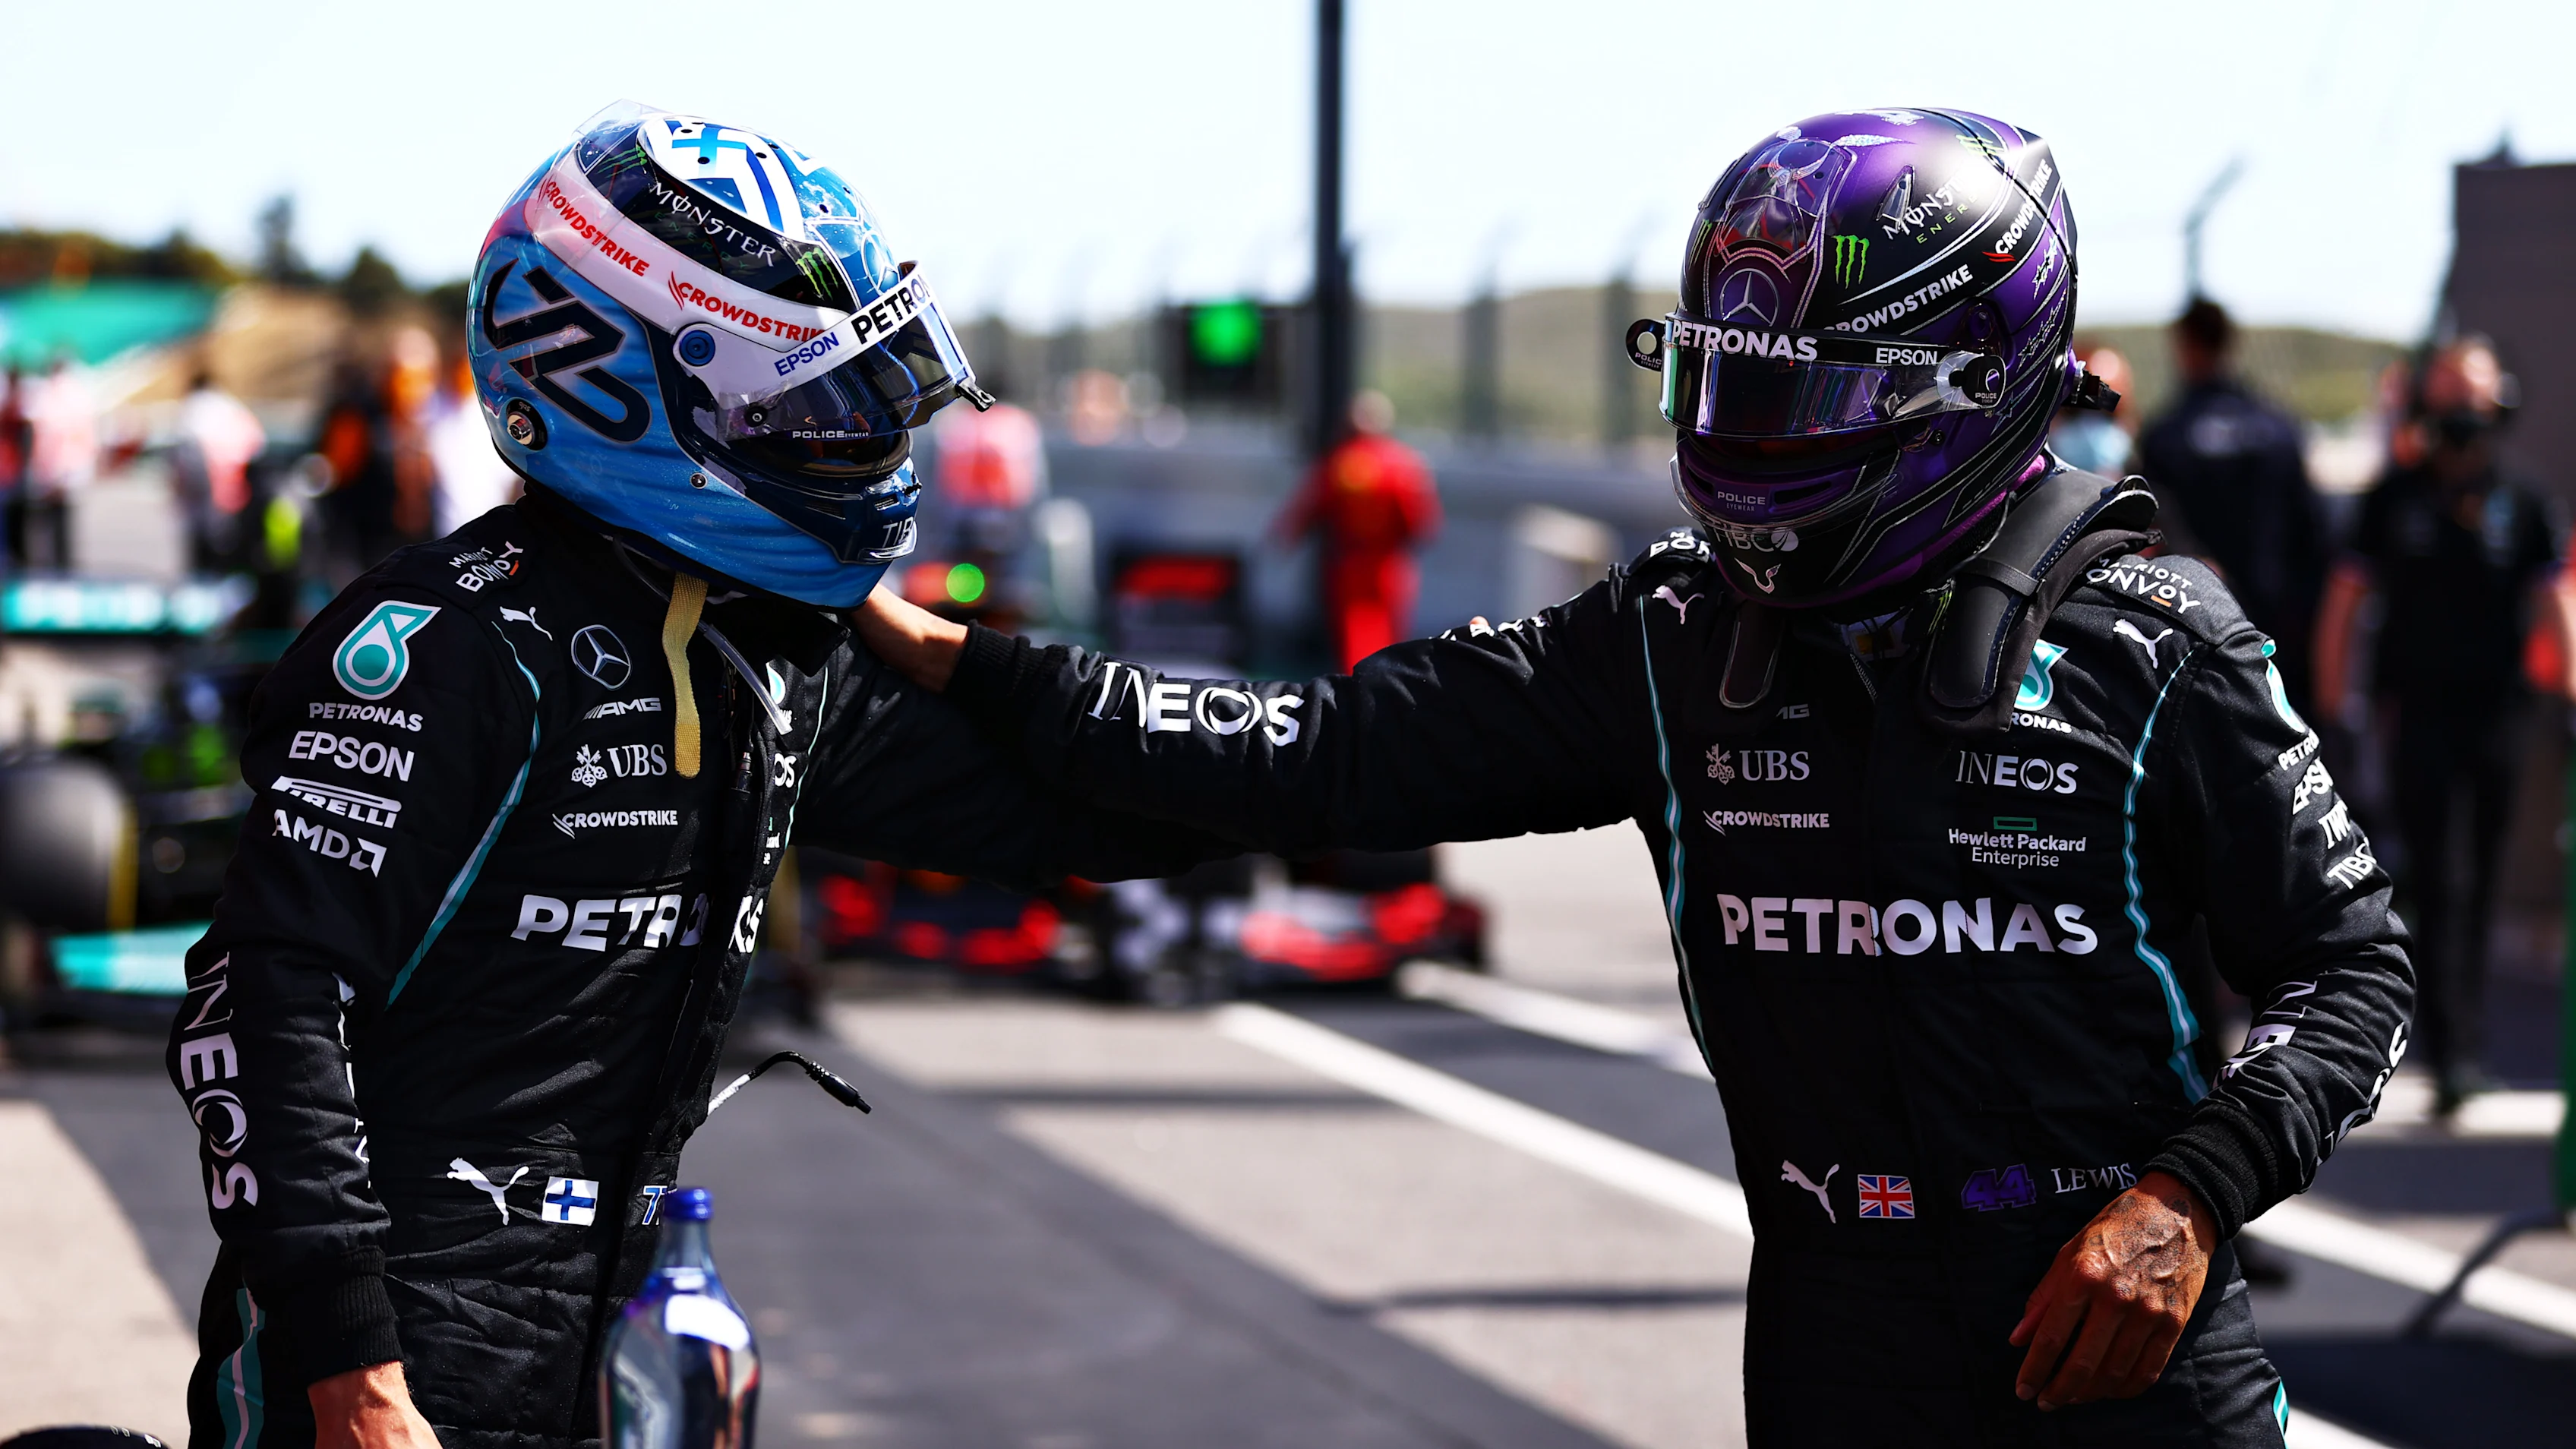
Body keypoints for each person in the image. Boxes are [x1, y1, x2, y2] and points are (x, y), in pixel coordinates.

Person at [859, 109, 2413, 1444]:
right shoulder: (1667, 638)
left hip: (2111, 1343)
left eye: (1801, 393)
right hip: (1830, 1331)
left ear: (1965, 385)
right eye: (1727, 380)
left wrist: (2189, 1200)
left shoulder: (2158, 647)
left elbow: (2352, 969)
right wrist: (984, 664)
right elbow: (1324, 760)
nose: (1751, 437)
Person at [166, 103, 1225, 1449]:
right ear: (612, 383)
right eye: (812, 404)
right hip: (393, 1371)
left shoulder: (759, 647)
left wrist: (1429, 750)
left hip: (603, 1324)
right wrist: (358, 1385)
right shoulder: (448, 643)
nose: (857, 440)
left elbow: (1080, 809)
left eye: (870, 397)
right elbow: (257, 998)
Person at [2315, 336, 2555, 1113]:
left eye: (2473, 399)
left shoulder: (2519, 502)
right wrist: (2325, 714)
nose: (2461, 414)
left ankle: (2467, 1041)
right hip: (2412, 714)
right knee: (2436, 877)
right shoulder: (2392, 497)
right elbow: (2344, 606)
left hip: (2496, 715)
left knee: (2478, 878)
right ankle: (2444, 1051)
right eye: (2448, 396)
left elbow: (2555, 603)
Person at [2136, 298, 2326, 721]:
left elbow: (2151, 525)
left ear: (2185, 347)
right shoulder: (2278, 427)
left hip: (2193, 623)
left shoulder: (2166, 434)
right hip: (2275, 626)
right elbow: (2314, 533)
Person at [1274, 389, 1438, 669]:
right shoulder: (1405, 463)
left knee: (1355, 634)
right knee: (1392, 635)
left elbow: (1308, 509)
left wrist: (1285, 540)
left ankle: (1361, 695)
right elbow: (1423, 523)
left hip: (1352, 563)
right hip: (1391, 565)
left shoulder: (1342, 463)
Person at [173, 366, 268, 571]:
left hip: (210, 488)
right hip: (240, 487)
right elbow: (258, 443)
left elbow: (188, 457)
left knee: (207, 558)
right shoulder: (231, 405)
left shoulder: (195, 408)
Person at [21, 353, 97, 570]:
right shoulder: (78, 393)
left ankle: (53, 563)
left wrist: (42, 466)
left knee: (50, 520)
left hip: (53, 465)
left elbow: (43, 434)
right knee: (64, 520)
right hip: (71, 466)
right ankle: (64, 563)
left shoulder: (47, 393)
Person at [2049, 344, 2135, 478]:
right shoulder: (2028, 496)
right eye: (2075, 413)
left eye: (2107, 415)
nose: (2089, 427)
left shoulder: (2155, 492)